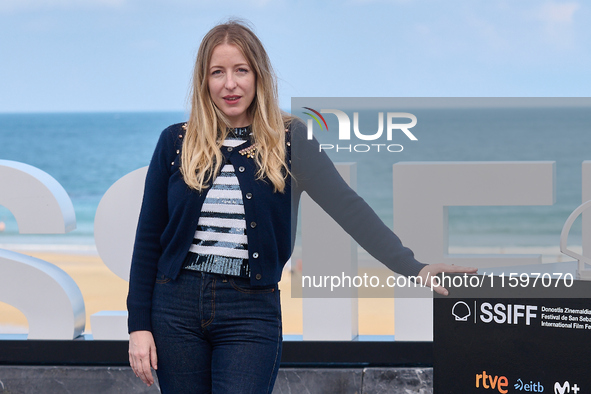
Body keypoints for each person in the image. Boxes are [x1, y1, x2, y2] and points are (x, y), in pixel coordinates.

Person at [127, 19, 477, 393]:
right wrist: (139, 326)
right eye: (218, 72)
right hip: (175, 308)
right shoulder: (175, 142)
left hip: (250, 310)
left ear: (258, 75)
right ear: (204, 81)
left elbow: (349, 208)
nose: (230, 84)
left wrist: (414, 267)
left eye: (241, 70)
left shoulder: (290, 140)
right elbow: (148, 240)